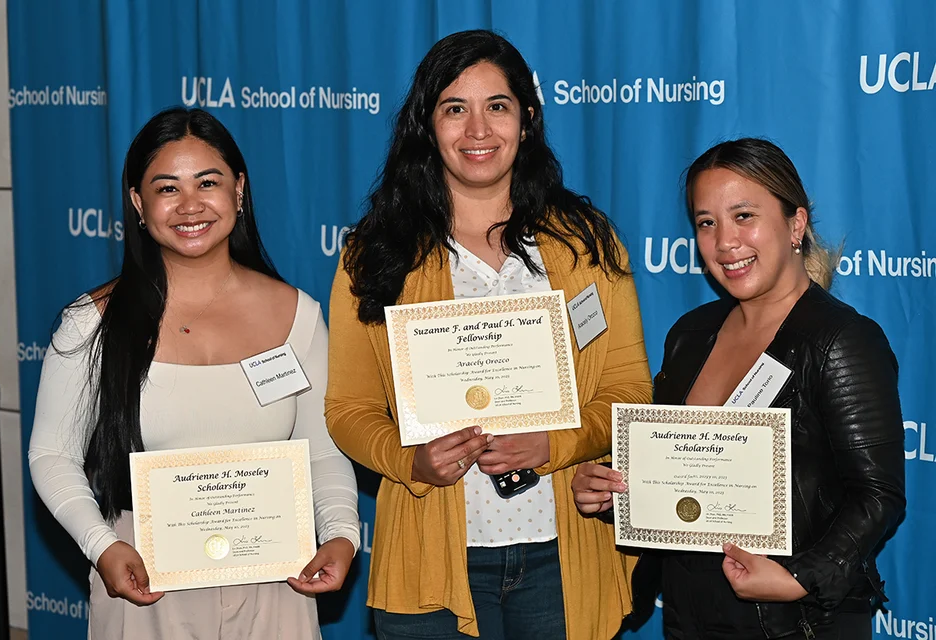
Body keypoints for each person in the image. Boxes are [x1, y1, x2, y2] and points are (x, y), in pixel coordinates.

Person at [325, 30, 652, 640]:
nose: (478, 131)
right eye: (455, 109)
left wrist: (554, 444)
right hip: (430, 555)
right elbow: (348, 408)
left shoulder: (586, 244)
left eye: (496, 107)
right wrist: (410, 459)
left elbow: (628, 391)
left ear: (527, 120)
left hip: (559, 556)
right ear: (427, 125)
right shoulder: (375, 254)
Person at [28, 107, 360, 639]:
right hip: (143, 579)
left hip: (275, 579)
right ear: (138, 202)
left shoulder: (298, 315)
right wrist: (102, 546)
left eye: (208, 182)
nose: (190, 206)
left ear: (239, 190)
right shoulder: (91, 324)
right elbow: (52, 454)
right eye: (166, 188)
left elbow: (321, 449)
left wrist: (342, 534)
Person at [572, 138, 905, 639]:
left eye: (744, 215)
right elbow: (680, 478)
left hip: (797, 623)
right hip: (690, 614)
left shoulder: (841, 341)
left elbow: (878, 496)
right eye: (707, 222)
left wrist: (799, 578)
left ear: (796, 224)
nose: (725, 242)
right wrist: (614, 495)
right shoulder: (690, 334)